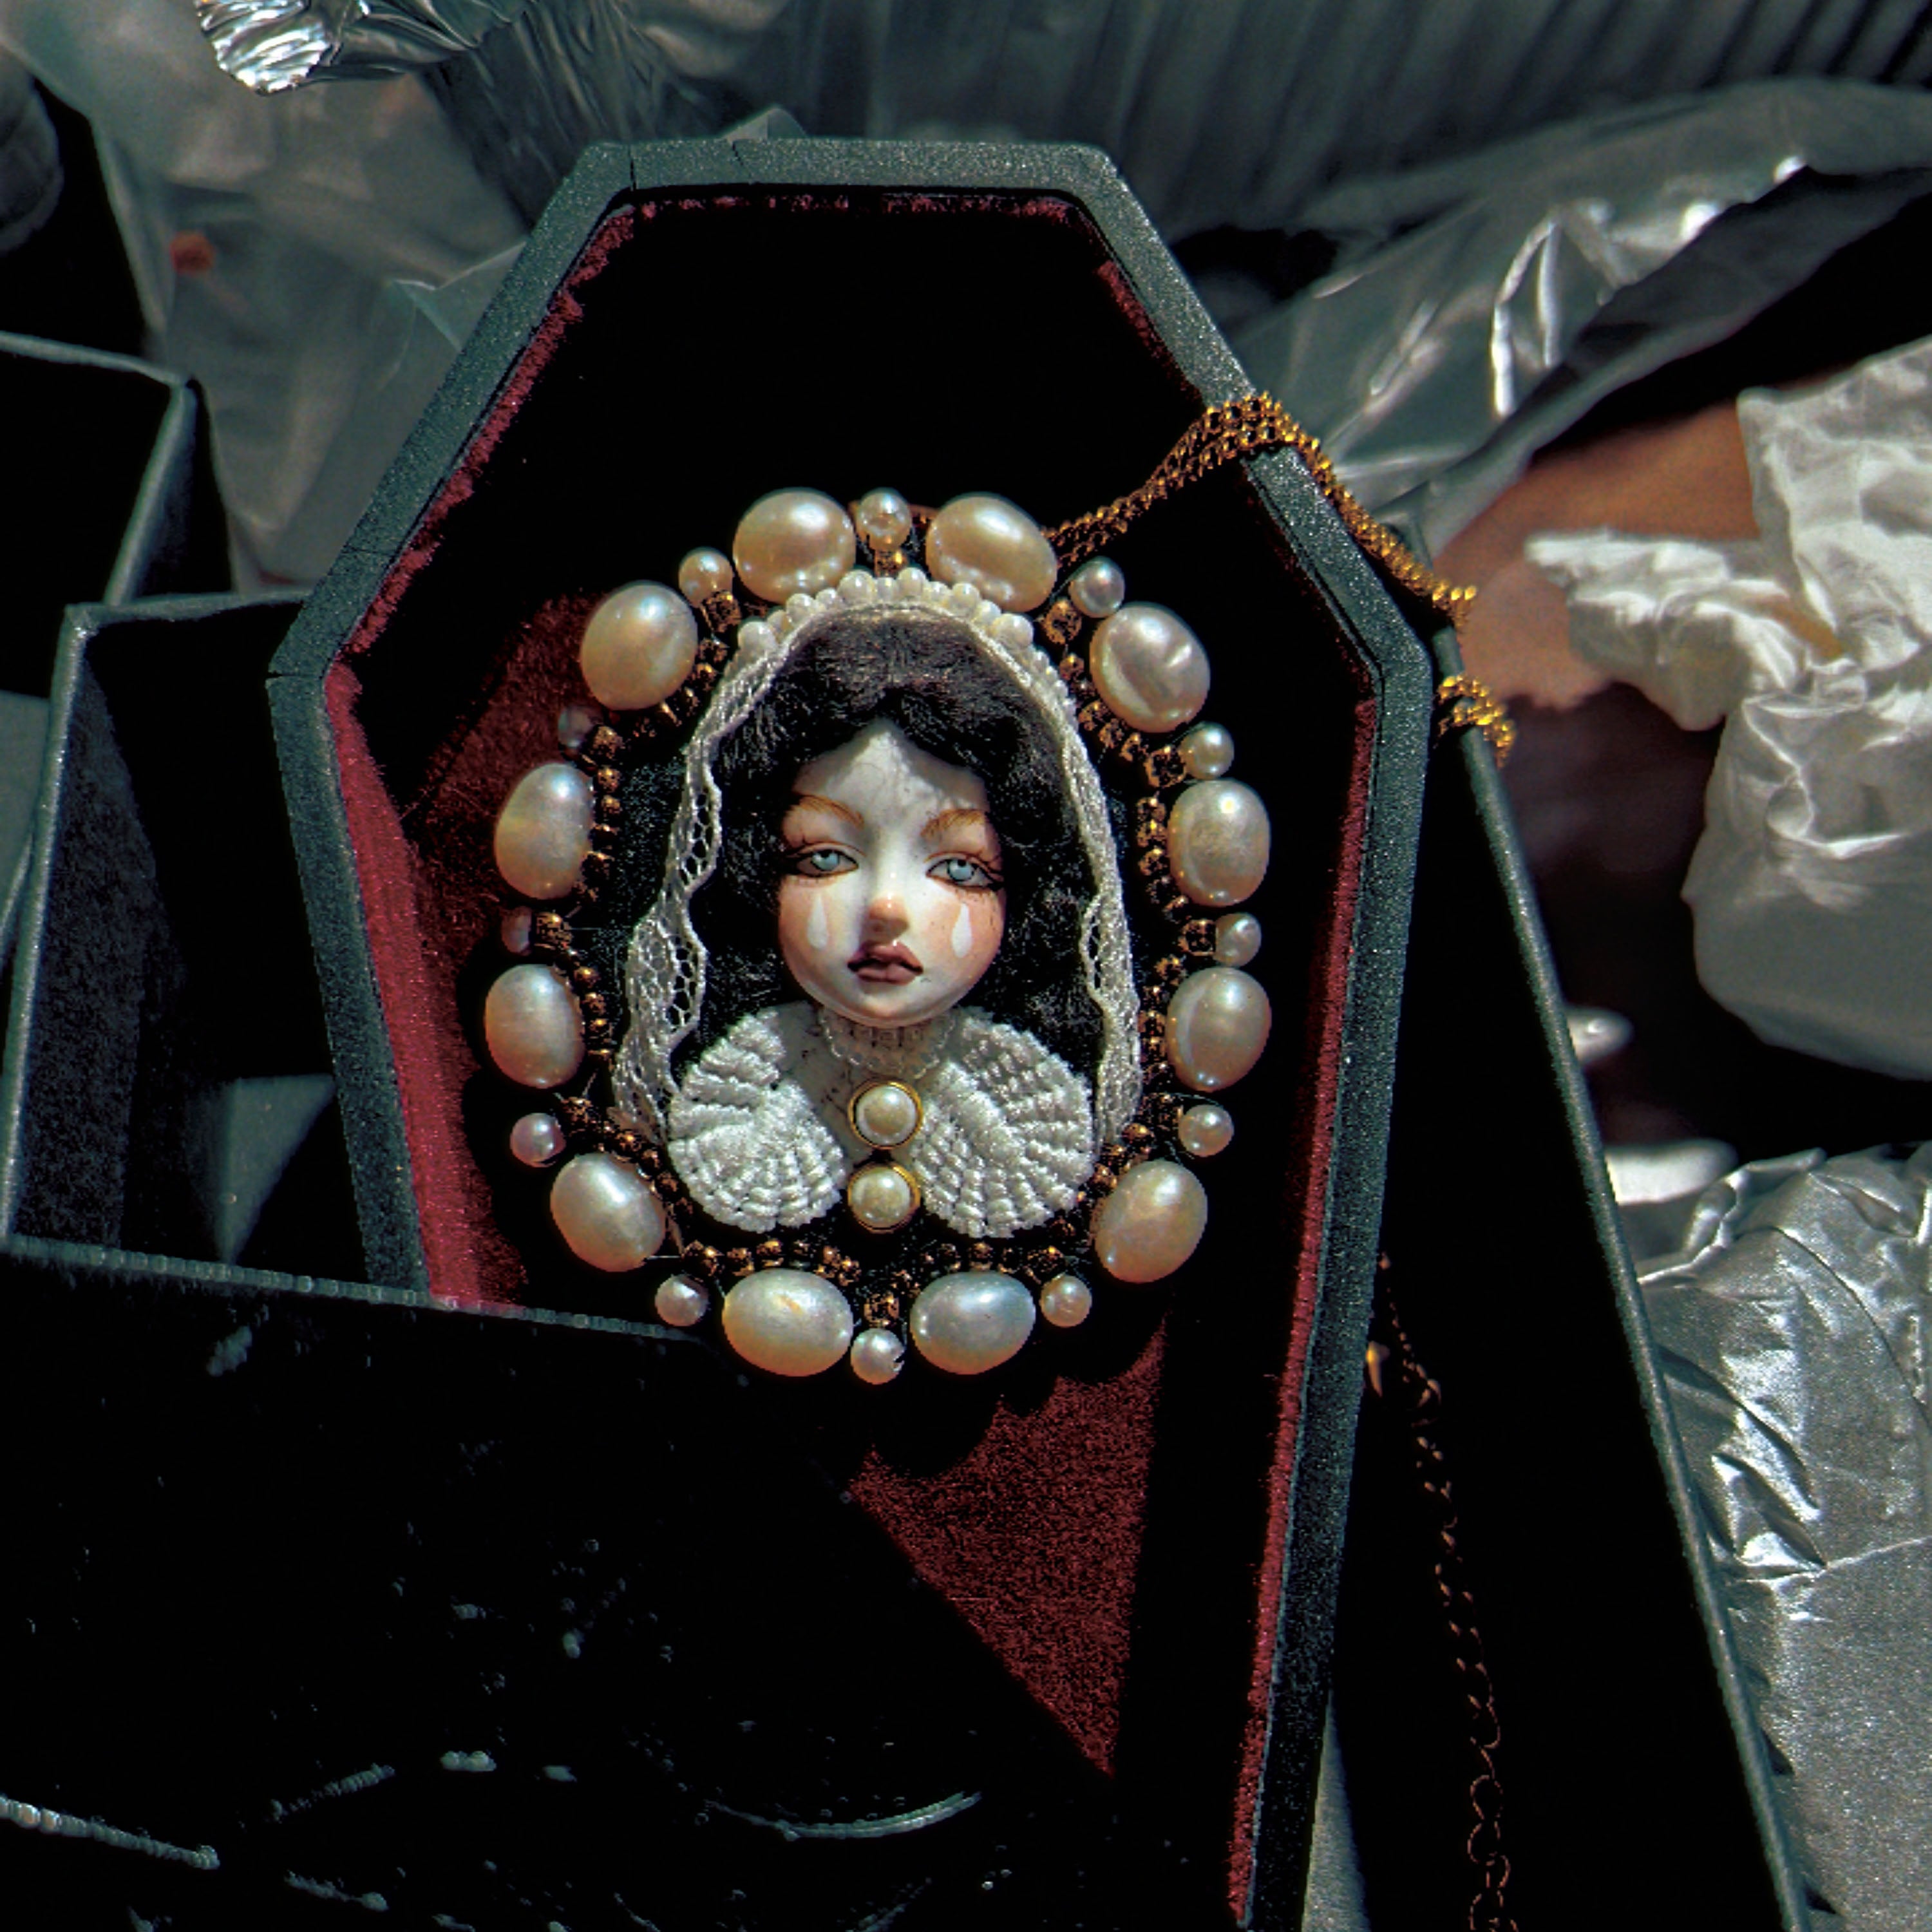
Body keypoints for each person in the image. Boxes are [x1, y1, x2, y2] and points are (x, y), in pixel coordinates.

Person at [613, 598, 1141, 1242]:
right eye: (825, 858)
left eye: (958, 869)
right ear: (757, 871)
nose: (886, 907)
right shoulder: (751, 1094)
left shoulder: (1021, 1122)